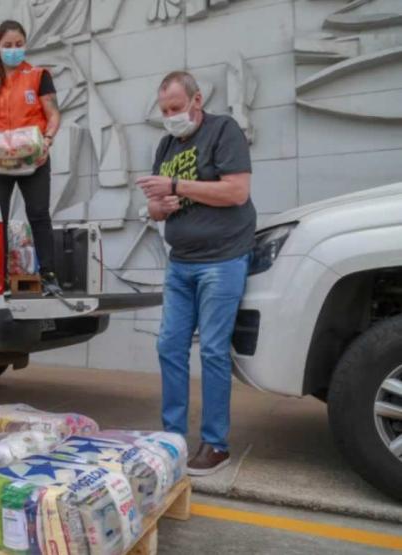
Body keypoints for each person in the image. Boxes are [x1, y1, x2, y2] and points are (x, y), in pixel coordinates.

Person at [138, 71, 255, 477]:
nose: (171, 116)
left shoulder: (225, 131)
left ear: (197, 99)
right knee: (169, 346)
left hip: (223, 259)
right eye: (165, 110)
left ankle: (215, 444)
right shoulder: (166, 144)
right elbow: (155, 207)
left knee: (212, 350)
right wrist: (159, 206)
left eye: (176, 107)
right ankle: (172, 438)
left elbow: (237, 191)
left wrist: (177, 185)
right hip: (182, 262)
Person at [0, 20, 62, 295]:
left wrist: (48, 139)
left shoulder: (38, 75)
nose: (14, 50)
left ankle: (49, 277)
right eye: (8, 45)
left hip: (33, 158)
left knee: (39, 214)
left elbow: (53, 113)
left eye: (19, 45)